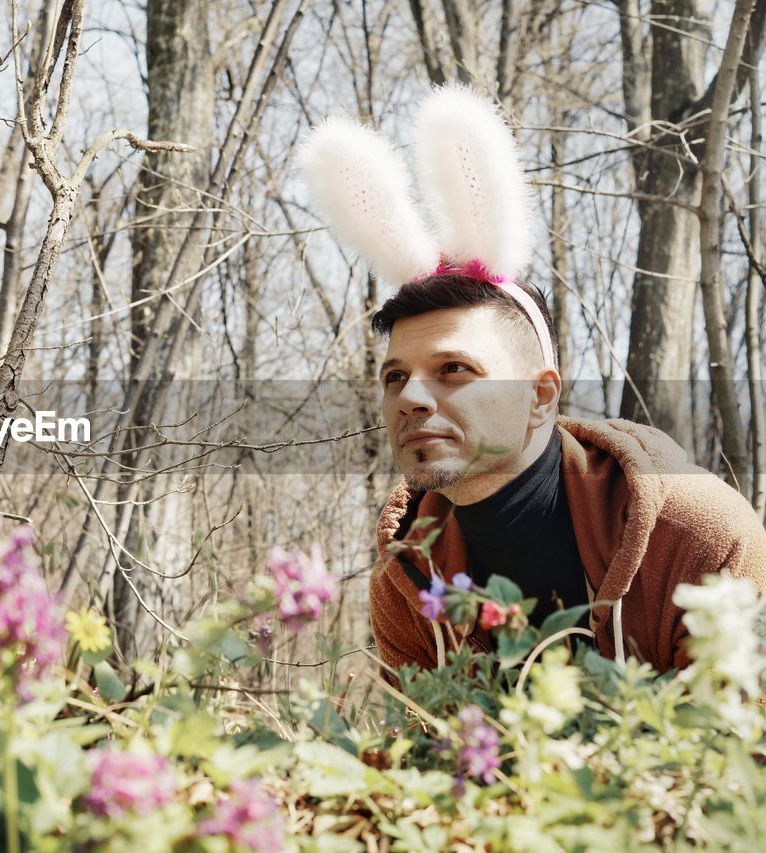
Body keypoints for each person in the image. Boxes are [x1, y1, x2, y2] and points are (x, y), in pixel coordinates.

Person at [299, 84, 766, 683]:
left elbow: (735, 755)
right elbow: (416, 759)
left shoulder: (693, 536)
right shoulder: (407, 572)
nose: (410, 398)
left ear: (540, 396)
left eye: (454, 370)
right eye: (396, 377)